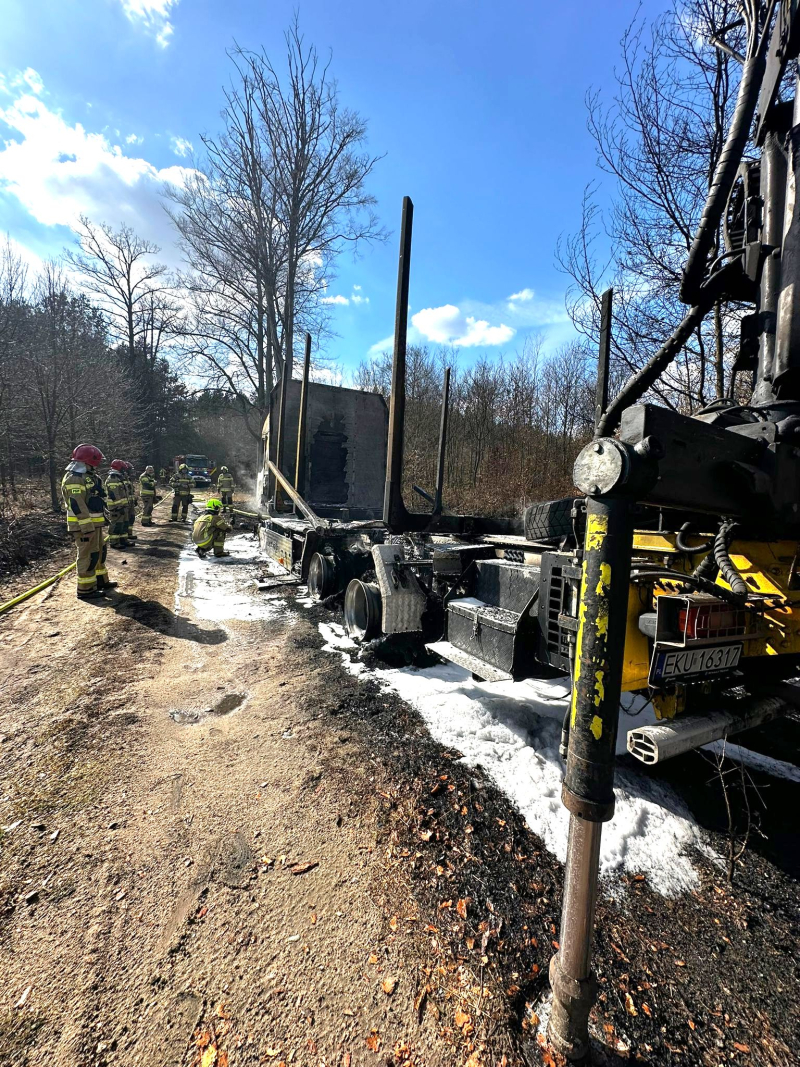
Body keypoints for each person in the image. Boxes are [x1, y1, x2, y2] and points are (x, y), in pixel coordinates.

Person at [62, 444, 117, 598]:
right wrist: (87, 527)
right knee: (87, 556)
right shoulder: (74, 478)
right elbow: (77, 504)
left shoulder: (89, 476)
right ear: (88, 461)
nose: (97, 465)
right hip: (83, 526)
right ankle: (86, 589)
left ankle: (100, 581)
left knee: (99, 552)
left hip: (95, 524)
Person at [105, 460, 131, 549]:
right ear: (119, 468)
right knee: (116, 524)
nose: (124, 470)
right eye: (123, 468)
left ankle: (123, 540)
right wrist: (119, 506)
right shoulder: (112, 479)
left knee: (124, 524)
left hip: (123, 506)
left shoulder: (119, 478)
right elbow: (114, 495)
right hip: (116, 507)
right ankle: (114, 542)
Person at [123, 462, 138, 542]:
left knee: (131, 518)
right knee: (125, 520)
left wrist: (134, 500)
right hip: (125, 504)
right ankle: (124, 536)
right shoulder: (121, 479)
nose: (131, 472)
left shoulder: (128, 479)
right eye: (129, 470)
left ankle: (129, 533)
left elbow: (131, 491)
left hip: (130, 502)